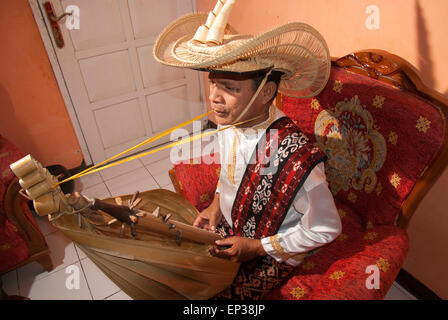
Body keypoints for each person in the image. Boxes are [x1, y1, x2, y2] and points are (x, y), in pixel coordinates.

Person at [153, 0, 341, 299]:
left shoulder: (297, 160)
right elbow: (231, 176)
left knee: (212, 296)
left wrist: (256, 247)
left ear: (266, 91)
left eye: (230, 88)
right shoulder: (232, 122)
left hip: (273, 247)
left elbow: (326, 228)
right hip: (232, 223)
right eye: (213, 84)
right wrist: (216, 206)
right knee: (175, 267)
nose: (214, 97)